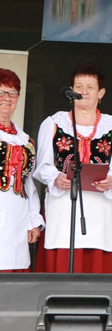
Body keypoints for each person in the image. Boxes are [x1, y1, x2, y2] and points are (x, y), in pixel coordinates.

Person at [34, 63, 112, 273]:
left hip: (100, 205)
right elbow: (42, 165)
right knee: (63, 249)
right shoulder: (54, 123)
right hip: (64, 203)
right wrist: (56, 177)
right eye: (79, 86)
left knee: (96, 254)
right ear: (71, 90)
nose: (84, 91)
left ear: (101, 93)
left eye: (90, 87)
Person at [0, 69, 43, 272]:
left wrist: (33, 220)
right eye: (0, 92)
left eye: (12, 93)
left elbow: (28, 184)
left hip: (16, 216)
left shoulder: (26, 140)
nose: (6, 98)